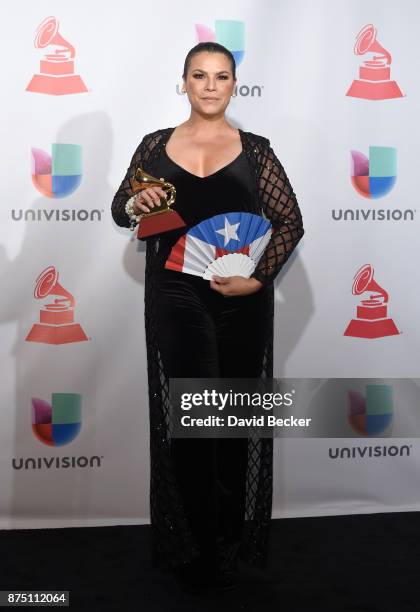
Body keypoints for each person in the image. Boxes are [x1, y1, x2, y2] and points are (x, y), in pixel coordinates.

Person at [111, 41, 304, 593]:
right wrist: (135, 204)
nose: (211, 85)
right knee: (194, 419)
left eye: (221, 76)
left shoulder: (257, 150)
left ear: (234, 84)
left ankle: (226, 541)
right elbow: (121, 208)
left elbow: (289, 222)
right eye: (200, 75)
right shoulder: (154, 146)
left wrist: (256, 278)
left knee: (233, 421)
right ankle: (192, 542)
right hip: (176, 292)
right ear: (185, 83)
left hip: (241, 298)